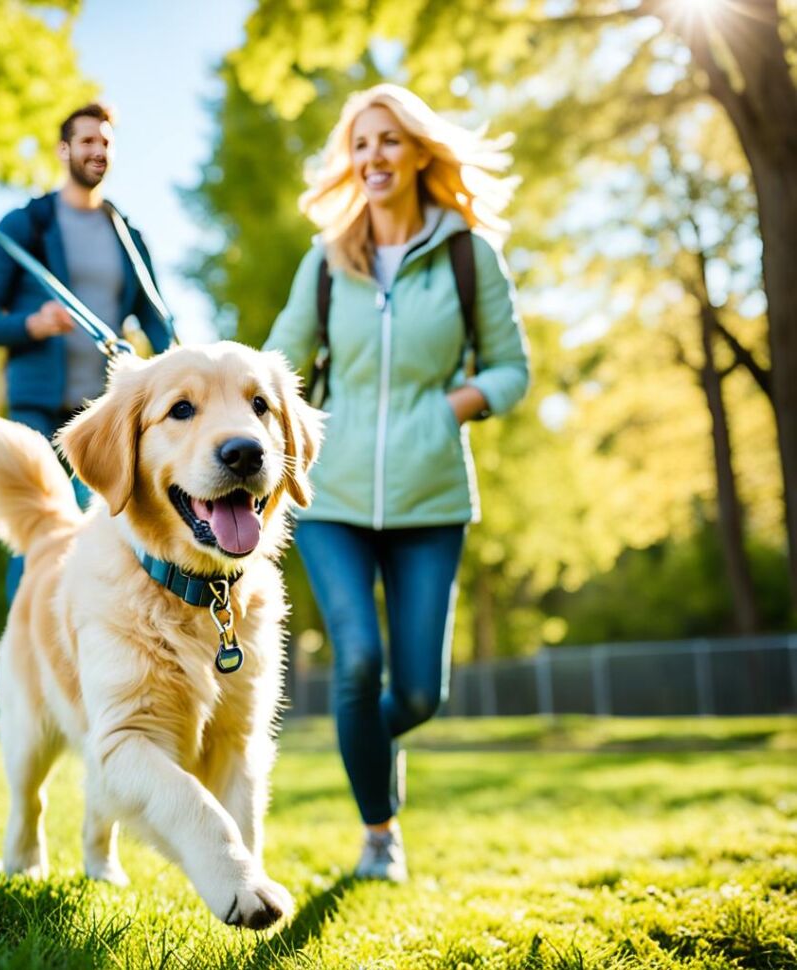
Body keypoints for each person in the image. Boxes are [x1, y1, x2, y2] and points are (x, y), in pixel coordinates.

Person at [264, 84, 530, 882]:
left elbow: (513, 369)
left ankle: (376, 749)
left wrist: (452, 407)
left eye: (389, 141)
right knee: (357, 662)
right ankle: (380, 835)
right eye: (360, 143)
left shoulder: (466, 253)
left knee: (417, 694)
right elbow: (277, 366)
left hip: (430, 497)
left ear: (418, 152)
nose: (374, 156)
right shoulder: (326, 260)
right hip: (333, 498)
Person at [0, 102, 173, 600]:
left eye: (105, 142)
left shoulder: (127, 234)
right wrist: (32, 324)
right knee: (36, 536)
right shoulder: (25, 226)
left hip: (98, 415)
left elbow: (155, 318)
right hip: (37, 409)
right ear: (64, 150)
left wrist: (176, 367)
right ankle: (26, 655)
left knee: (103, 536)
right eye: (86, 141)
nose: (97, 150)